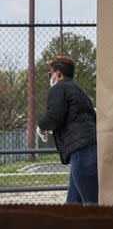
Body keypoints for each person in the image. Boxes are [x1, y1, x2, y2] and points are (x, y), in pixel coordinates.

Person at [37, 56, 98, 204]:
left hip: (81, 152)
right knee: (73, 204)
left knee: (93, 205)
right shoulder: (78, 91)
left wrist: (41, 126)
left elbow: (54, 117)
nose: (50, 77)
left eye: (50, 73)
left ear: (58, 73)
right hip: (90, 148)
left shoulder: (59, 88)